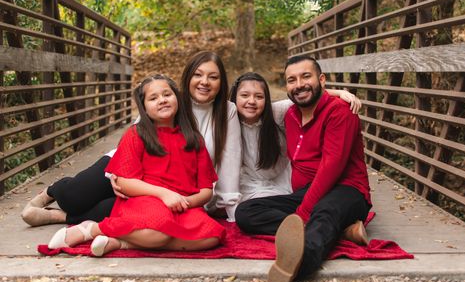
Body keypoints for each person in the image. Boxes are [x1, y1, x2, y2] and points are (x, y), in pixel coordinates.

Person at [21, 51, 242, 226]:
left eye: (213, 77)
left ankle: (61, 218)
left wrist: (223, 207)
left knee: (113, 209)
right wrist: (115, 175)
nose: (205, 82)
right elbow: (138, 132)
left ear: (222, 82)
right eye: (198, 74)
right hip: (127, 167)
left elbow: (230, 161)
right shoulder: (171, 98)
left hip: (170, 183)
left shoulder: (227, 112)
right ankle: (55, 189)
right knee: (74, 197)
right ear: (188, 76)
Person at [234, 56, 372, 282]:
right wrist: (304, 208)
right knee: (247, 212)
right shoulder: (289, 115)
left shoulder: (340, 112)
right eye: (291, 80)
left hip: (346, 189)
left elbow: (332, 167)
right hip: (307, 191)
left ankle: (299, 262)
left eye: (305, 76)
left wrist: (303, 212)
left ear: (321, 79)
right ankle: (344, 231)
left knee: (324, 212)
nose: (299, 84)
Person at [48, 74, 225, 256]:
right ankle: (93, 229)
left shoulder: (194, 139)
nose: (162, 100)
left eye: (167, 94)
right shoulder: (137, 135)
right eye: (153, 98)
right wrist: (164, 194)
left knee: (212, 236)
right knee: (159, 231)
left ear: (177, 99)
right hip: (145, 202)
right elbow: (124, 182)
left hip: (182, 205)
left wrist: (184, 202)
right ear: (145, 109)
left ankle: (121, 243)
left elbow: (206, 190)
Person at [229, 72, 361, 202]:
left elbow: (305, 96)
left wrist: (339, 93)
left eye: (259, 96)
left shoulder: (275, 112)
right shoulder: (229, 118)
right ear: (234, 97)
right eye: (244, 95)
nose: (251, 101)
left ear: (266, 99)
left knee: (273, 204)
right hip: (251, 181)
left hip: (283, 179)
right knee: (238, 207)